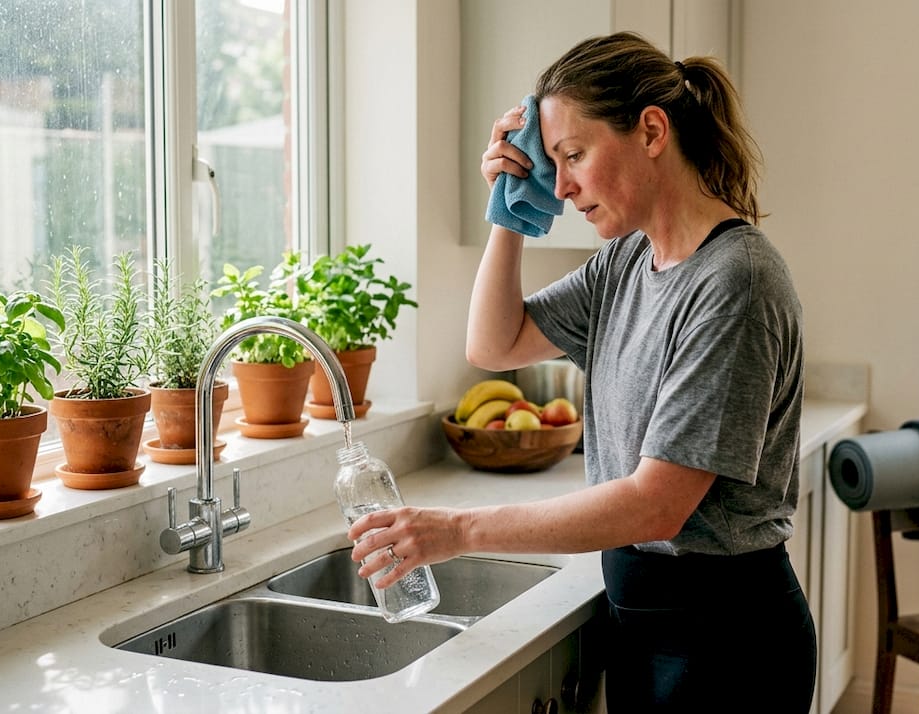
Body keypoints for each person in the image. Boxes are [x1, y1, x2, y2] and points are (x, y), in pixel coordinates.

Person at [348, 31, 815, 713]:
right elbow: (495, 342)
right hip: (644, 619)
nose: (562, 185)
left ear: (651, 130)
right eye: (554, 162)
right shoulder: (628, 261)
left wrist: (459, 531)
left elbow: (657, 503)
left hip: (726, 643)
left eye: (574, 155)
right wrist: (509, 210)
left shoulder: (734, 281)